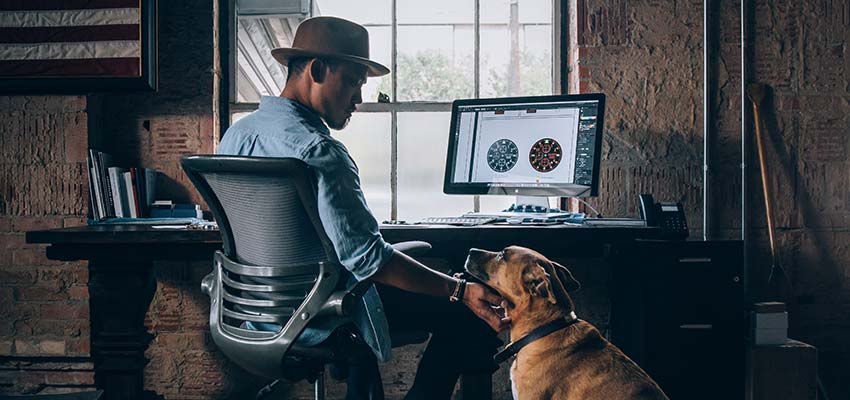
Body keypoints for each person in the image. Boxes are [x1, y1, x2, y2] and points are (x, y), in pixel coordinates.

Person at [217, 16, 509, 399]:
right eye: (353, 82)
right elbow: (369, 260)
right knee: (470, 314)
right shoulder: (320, 151)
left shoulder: (235, 136)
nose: (358, 98)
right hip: (322, 312)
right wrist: (459, 290)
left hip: (255, 311)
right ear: (317, 71)